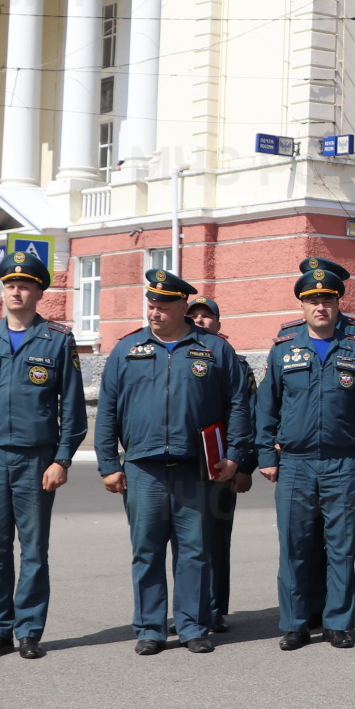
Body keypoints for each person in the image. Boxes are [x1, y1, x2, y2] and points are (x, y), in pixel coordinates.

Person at [93, 269, 254, 655]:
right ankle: (150, 628)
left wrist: (235, 455)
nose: (155, 313)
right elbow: (107, 409)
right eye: (151, 305)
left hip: (195, 468)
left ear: (183, 306)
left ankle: (193, 625)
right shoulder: (127, 350)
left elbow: (239, 405)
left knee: (194, 550)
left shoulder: (214, 349)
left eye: (163, 306)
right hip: (143, 467)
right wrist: (107, 464)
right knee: (146, 550)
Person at [0, 250, 86, 660]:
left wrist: (61, 460)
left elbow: (74, 411)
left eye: (24, 284)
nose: (15, 290)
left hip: (36, 461)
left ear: (38, 291)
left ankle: (29, 630)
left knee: (33, 550)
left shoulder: (58, 341)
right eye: (10, 284)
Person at [257, 258, 355, 650]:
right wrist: (266, 454)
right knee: (295, 546)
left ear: (337, 302)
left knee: (341, 546)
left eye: (327, 299)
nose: (320, 307)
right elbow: (266, 405)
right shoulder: (284, 346)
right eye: (312, 300)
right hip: (295, 462)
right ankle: (295, 623)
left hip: (344, 461)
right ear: (301, 304)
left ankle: (338, 622)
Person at [187, 296, 252, 633]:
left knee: (215, 539)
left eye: (207, 315)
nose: (200, 320)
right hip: (184, 464)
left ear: (219, 322)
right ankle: (188, 610)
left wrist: (244, 467)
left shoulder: (236, 364)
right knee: (187, 541)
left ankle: (214, 609)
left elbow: (248, 415)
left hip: (220, 465)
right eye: (193, 315)